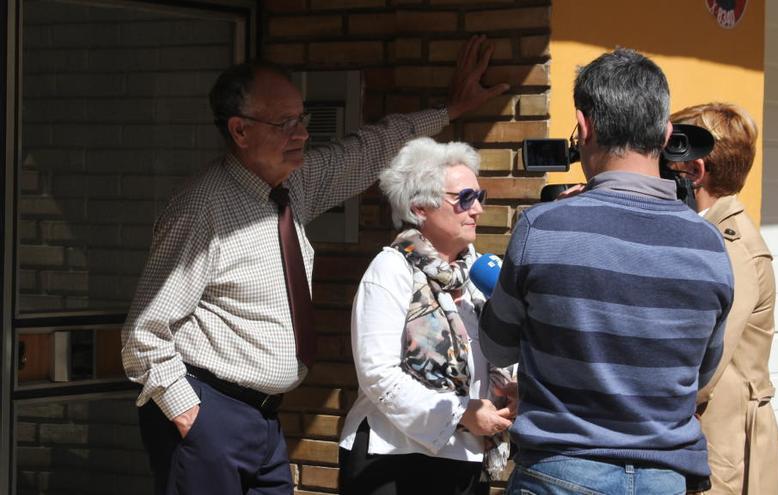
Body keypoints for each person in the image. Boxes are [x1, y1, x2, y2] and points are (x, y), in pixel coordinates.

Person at [121, 35, 509, 495]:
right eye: (285, 123)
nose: (302, 133)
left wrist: (448, 111)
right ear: (240, 130)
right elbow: (142, 334)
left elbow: (369, 150)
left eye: (301, 119)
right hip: (210, 411)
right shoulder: (201, 210)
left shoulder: (294, 185)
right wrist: (191, 414)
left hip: (261, 419)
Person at [478, 48, 735, 495]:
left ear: (584, 127)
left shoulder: (543, 228)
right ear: (666, 132)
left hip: (560, 471)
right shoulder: (709, 244)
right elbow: (702, 371)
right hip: (665, 477)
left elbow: (496, 345)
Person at [337, 137, 516, 495]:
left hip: (464, 458)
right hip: (392, 458)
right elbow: (377, 373)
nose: (477, 209)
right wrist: (461, 413)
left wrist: (509, 389)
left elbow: (488, 358)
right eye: (465, 198)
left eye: (480, 197)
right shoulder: (391, 268)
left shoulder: (477, 275)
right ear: (420, 208)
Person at [670, 103, 778, 494]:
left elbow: (709, 363)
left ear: (694, 172)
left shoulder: (732, 246)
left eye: (668, 157)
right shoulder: (710, 234)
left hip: (724, 446)